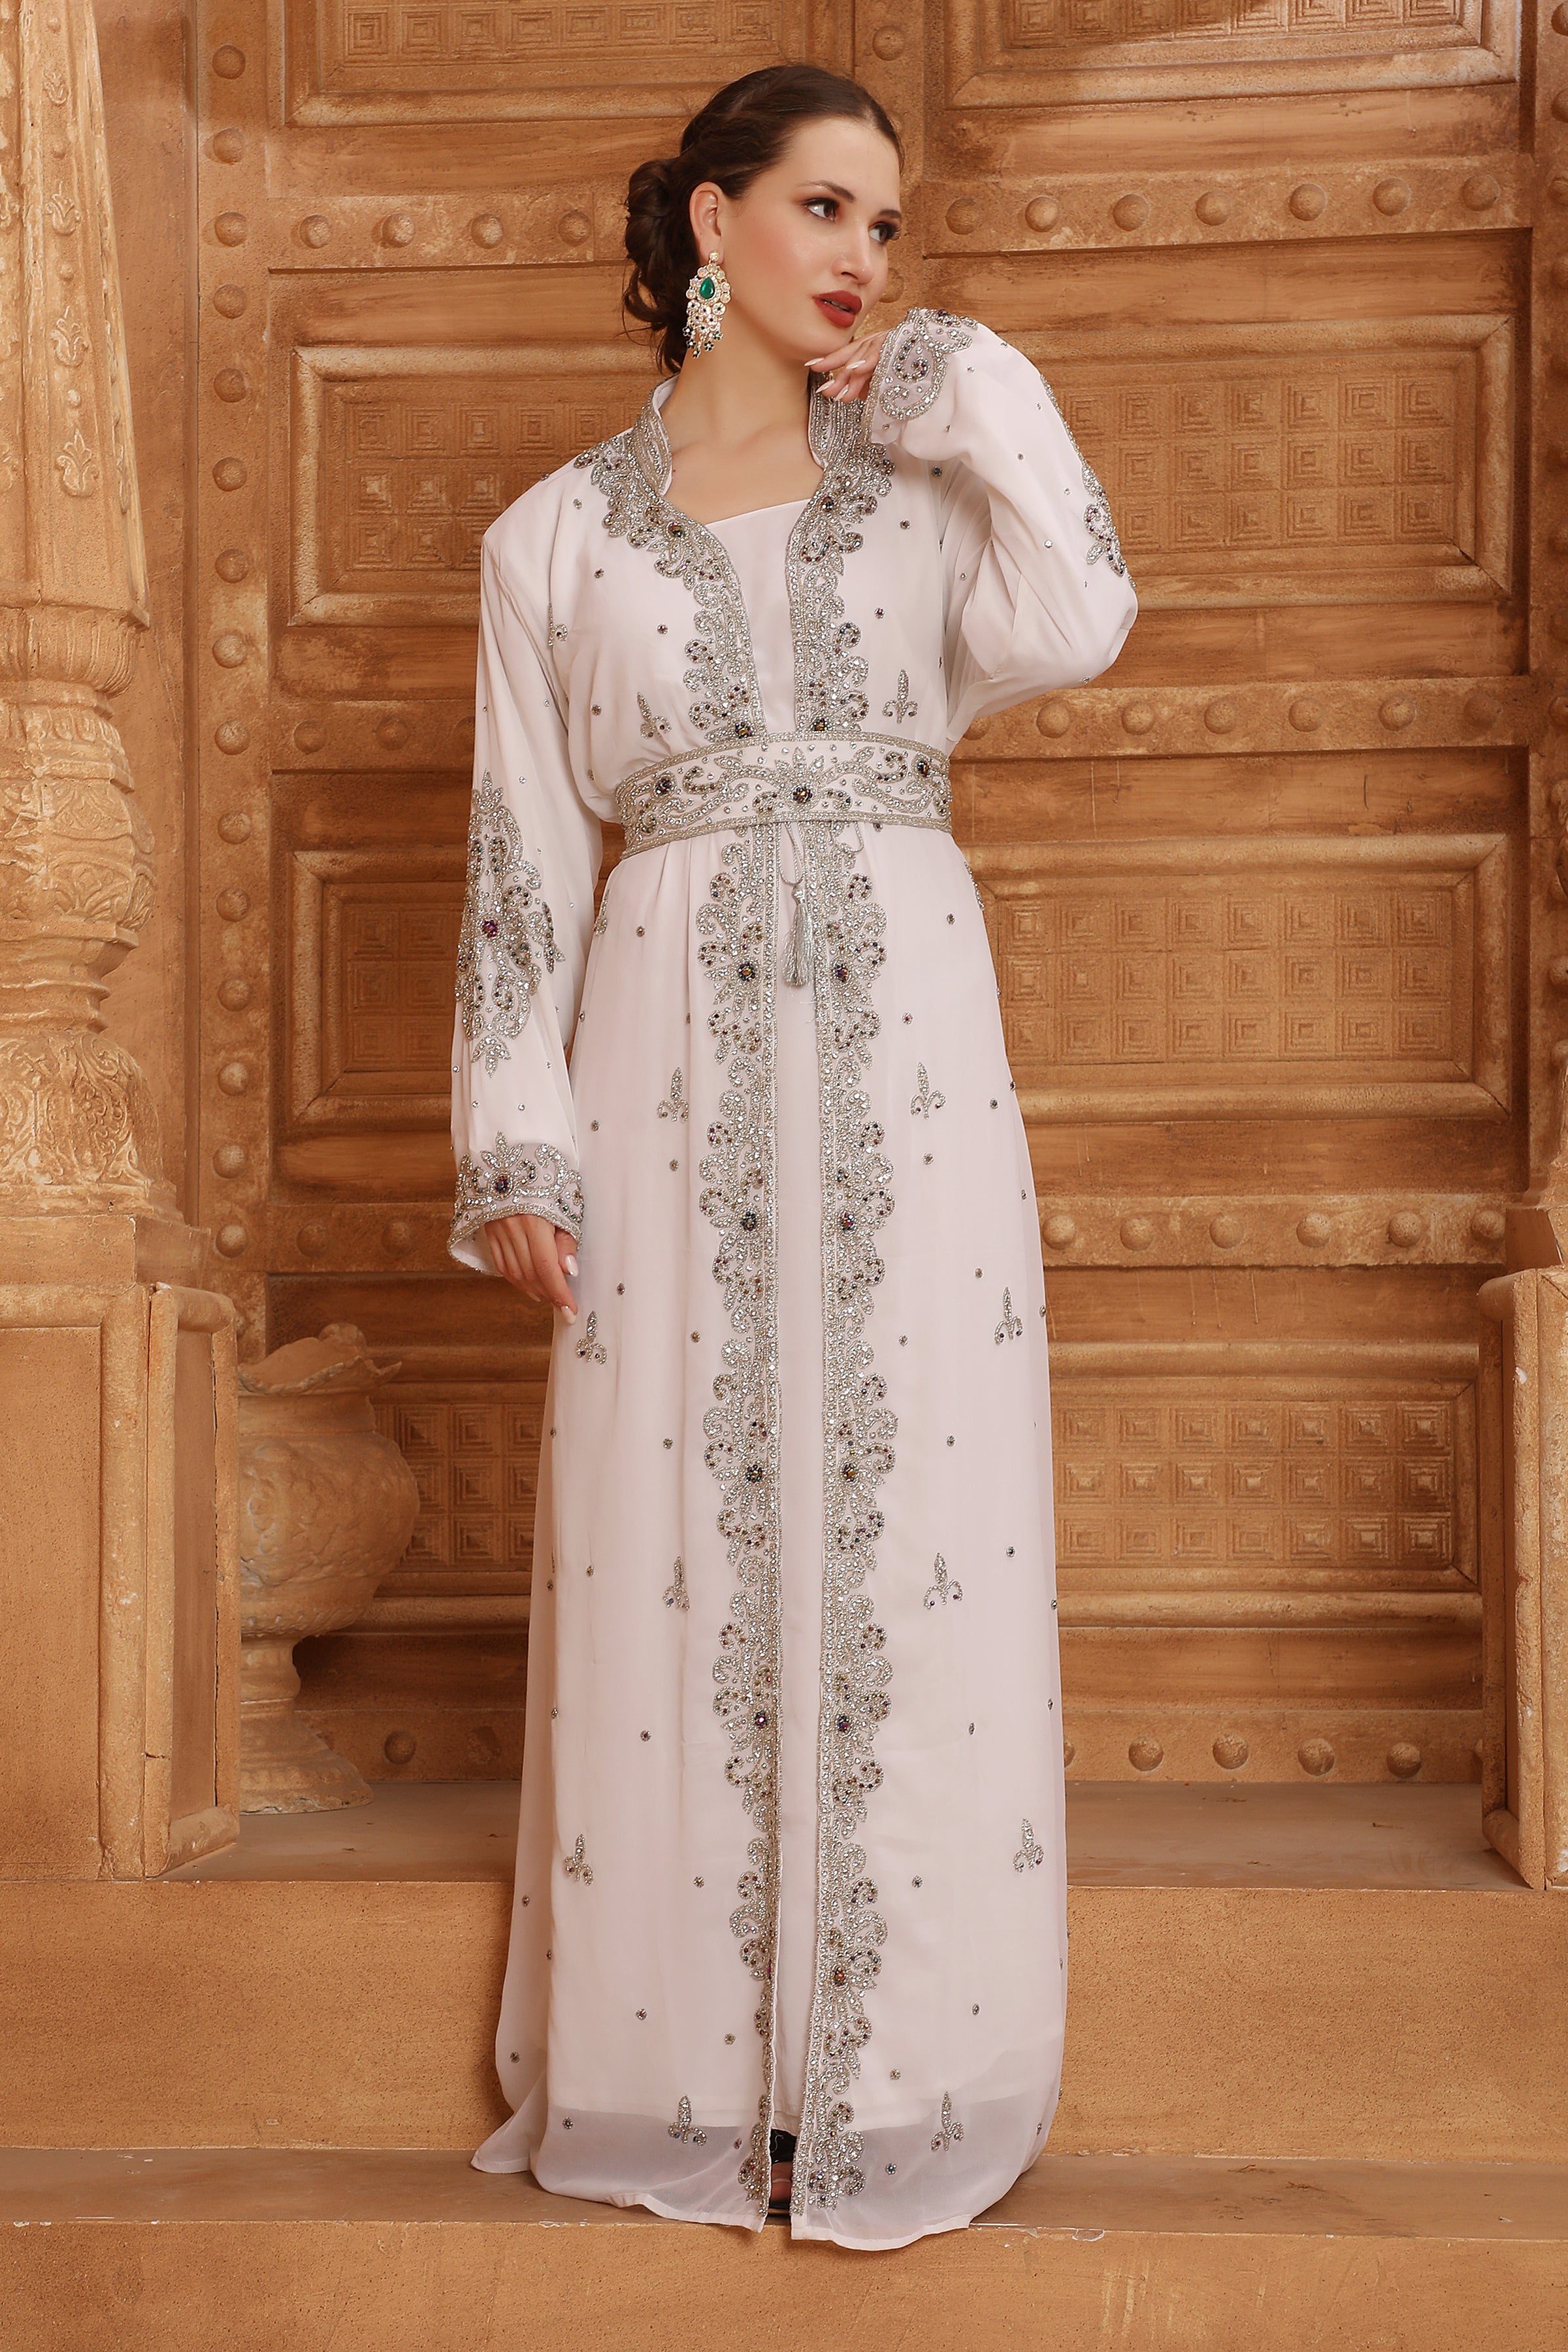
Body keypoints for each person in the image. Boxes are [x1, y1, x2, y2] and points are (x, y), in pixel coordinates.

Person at [448, 61, 1137, 2251]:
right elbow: (522, 866)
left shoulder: (925, 485)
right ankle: (687, 2081)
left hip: (910, 1043)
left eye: (888, 229)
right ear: (713, 224)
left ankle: (908, 2075)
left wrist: (972, 382)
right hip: (660, 1050)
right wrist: (517, 1146)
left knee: (908, 1495)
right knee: (679, 1517)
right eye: (827, 209)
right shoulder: (554, 537)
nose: (861, 261)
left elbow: (1077, 618)